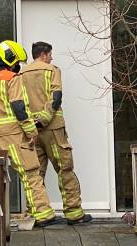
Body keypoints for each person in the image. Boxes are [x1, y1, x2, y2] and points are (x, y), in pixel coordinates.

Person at [0, 40, 56, 227]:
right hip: (16, 137)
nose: (17, 66)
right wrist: (31, 131)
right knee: (31, 174)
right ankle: (43, 215)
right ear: (9, 59)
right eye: (16, 62)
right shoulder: (12, 79)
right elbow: (20, 108)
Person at [19, 42, 92, 224]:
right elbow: (56, 97)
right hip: (52, 129)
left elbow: (18, 103)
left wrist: (31, 125)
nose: (51, 58)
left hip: (31, 132)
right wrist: (44, 118)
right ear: (43, 54)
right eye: (50, 55)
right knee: (65, 169)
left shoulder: (20, 74)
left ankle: (37, 214)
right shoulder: (52, 70)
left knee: (35, 175)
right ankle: (74, 213)